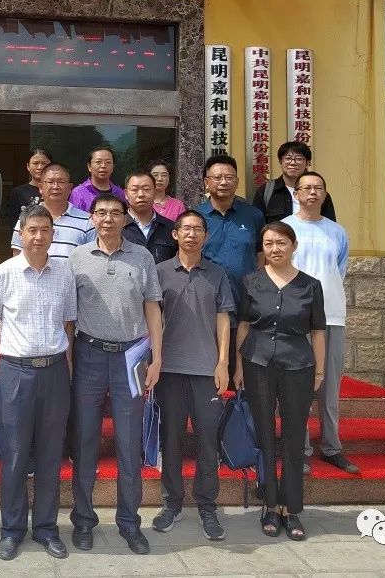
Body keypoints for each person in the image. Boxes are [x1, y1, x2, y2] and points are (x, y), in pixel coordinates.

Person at [68, 194, 163, 556]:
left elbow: (152, 308)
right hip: (88, 355)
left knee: (128, 442)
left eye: (115, 213)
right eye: (101, 212)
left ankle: (129, 523)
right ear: (92, 218)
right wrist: (69, 360)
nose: (108, 218)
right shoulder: (77, 258)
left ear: (126, 218)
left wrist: (156, 358)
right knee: (84, 442)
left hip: (131, 358)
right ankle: (83, 521)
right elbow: (69, 316)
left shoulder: (142, 256)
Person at [0, 204, 76, 561]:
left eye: (44, 230)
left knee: (51, 453)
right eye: (32, 230)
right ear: (20, 234)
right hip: (16, 372)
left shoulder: (64, 273)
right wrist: (7, 351)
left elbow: (68, 322)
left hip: (54, 371)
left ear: (53, 234)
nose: (38, 237)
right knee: (16, 453)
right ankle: (11, 530)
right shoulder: (3, 273)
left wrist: (65, 364)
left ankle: (47, 528)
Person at [234, 223, 326, 542]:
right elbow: (243, 325)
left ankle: (291, 508)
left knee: (293, 435)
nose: (275, 248)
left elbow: (318, 331)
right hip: (257, 362)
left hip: (298, 364)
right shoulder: (251, 282)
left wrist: (319, 372)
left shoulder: (310, 285)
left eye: (281, 242)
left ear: (294, 245)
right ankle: (271, 505)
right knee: (264, 434)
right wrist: (238, 366)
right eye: (269, 243)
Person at [151, 209, 233, 542]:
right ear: (175, 234)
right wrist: (153, 361)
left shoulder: (217, 273)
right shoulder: (159, 272)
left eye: (198, 229)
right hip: (169, 370)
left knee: (208, 441)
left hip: (205, 371)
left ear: (205, 236)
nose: (191, 234)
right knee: (170, 440)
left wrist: (223, 362)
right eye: (185, 228)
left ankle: (207, 507)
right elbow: (151, 319)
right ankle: (171, 503)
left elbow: (223, 318)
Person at [283, 172, 359, 475]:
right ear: (296, 194)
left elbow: (339, 272)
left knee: (329, 387)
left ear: (325, 195)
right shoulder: (285, 228)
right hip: (294, 319)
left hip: (331, 316)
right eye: (306, 188)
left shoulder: (337, 232)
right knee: (298, 388)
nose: (312, 193)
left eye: (318, 188)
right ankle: (299, 450)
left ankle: (332, 447)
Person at [197, 154, 264, 382]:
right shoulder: (196, 216)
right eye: (217, 177)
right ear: (206, 182)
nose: (223, 182)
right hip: (206, 303)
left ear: (237, 182)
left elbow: (260, 255)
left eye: (229, 177)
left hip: (244, 300)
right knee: (206, 373)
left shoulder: (253, 215)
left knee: (242, 372)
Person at [10, 163, 94, 259]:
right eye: (50, 182)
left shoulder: (87, 221)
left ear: (70, 188)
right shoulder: (26, 218)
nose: (55, 186)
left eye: (61, 182)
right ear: (40, 187)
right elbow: (17, 255)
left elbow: (92, 258)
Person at [252, 141, 336, 225]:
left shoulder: (318, 194)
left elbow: (330, 226)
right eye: (288, 158)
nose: (292, 163)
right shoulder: (266, 192)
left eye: (298, 159)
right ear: (281, 162)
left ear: (307, 163)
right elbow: (257, 225)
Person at [122, 170, 178, 264]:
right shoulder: (116, 228)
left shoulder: (171, 228)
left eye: (147, 189)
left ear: (155, 192)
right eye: (135, 190)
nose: (141, 194)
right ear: (126, 194)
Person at [68, 146, 126, 213]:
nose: (103, 166)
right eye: (98, 162)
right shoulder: (78, 193)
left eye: (108, 162)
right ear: (89, 166)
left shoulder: (120, 193)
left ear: (113, 166)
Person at [5, 147, 51, 221]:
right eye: (35, 163)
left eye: (44, 163)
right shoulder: (18, 192)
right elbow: (13, 221)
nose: (40, 167)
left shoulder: (56, 190)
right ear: (28, 166)